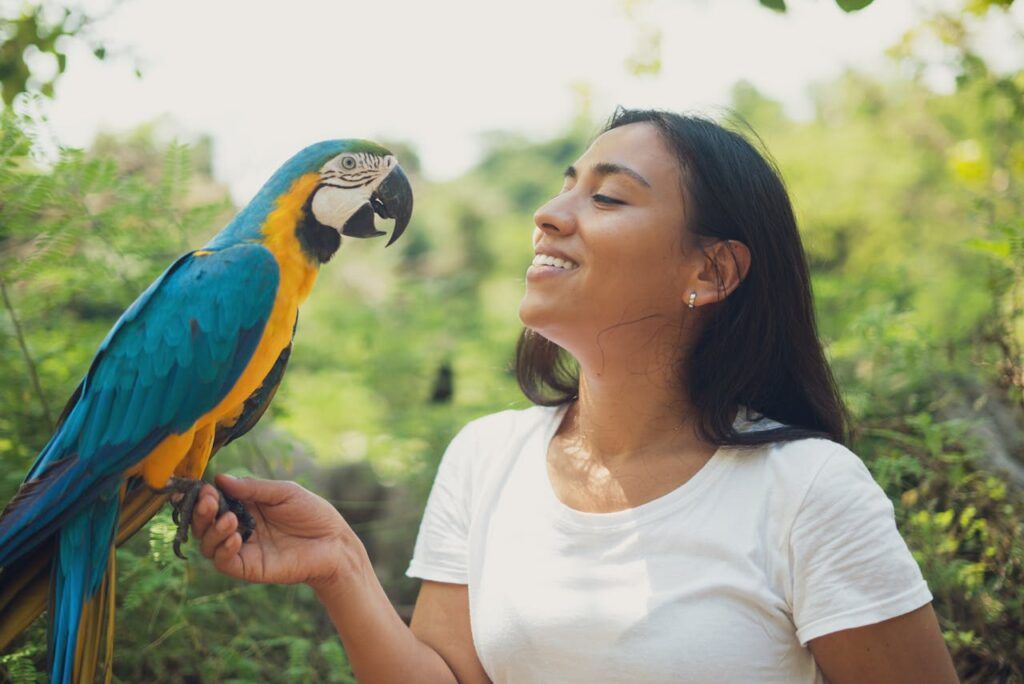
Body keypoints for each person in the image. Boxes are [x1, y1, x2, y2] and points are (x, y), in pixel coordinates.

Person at [190, 108, 959, 683]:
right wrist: (342, 568)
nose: (548, 216)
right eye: (564, 190)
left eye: (609, 199)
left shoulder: (808, 490)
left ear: (711, 273)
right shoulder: (486, 457)